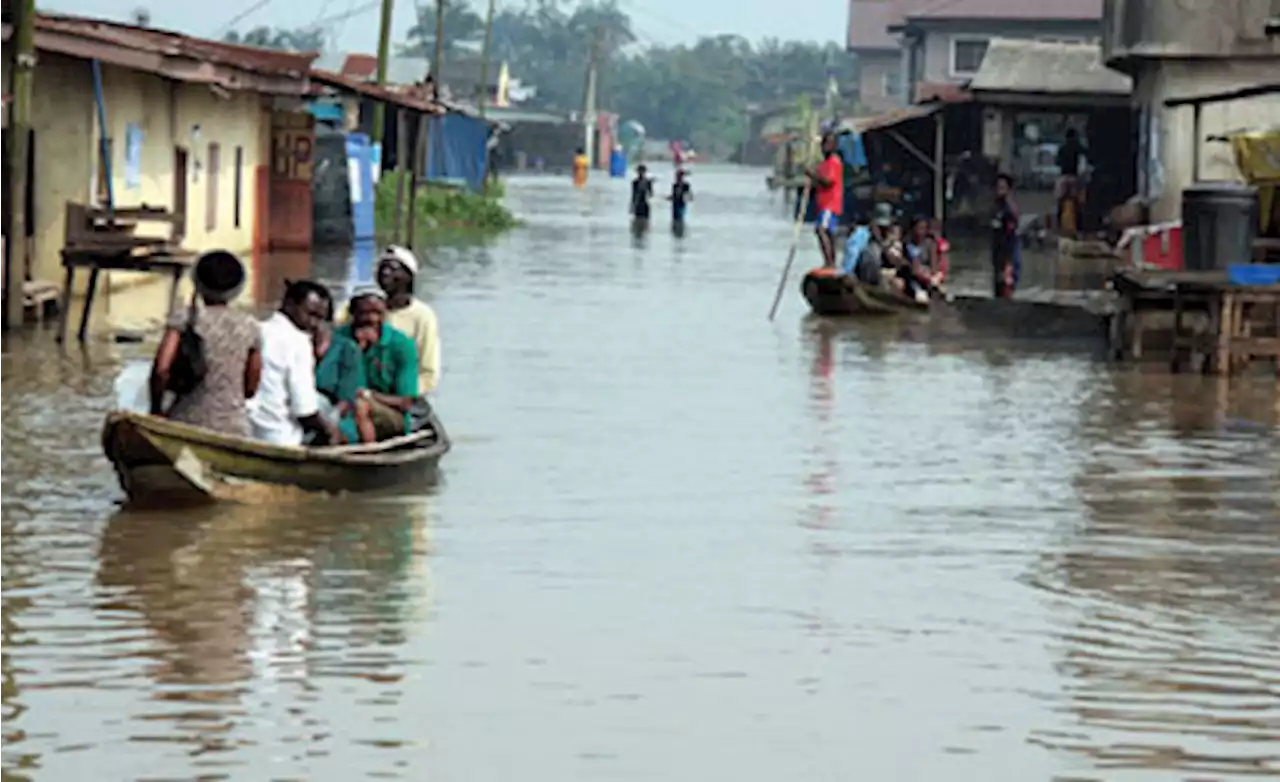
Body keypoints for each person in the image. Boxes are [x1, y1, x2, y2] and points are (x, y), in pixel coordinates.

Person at [149, 250, 261, 436]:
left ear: (197, 283)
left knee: (184, 463)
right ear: (238, 288)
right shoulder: (250, 326)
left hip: (186, 423)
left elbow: (161, 370)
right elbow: (250, 388)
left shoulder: (184, 318)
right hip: (234, 428)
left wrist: (155, 410)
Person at [248, 280, 340, 446]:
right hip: (280, 437)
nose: (314, 324)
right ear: (289, 305)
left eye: (320, 319)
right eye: (310, 314)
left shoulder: (257, 329)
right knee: (329, 412)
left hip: (250, 430)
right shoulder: (298, 343)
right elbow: (305, 411)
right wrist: (331, 432)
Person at [338, 290, 420, 441]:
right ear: (352, 313)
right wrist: (355, 352)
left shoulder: (402, 345)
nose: (371, 319)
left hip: (391, 416)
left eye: (377, 313)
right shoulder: (338, 340)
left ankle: (368, 454)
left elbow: (405, 403)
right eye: (364, 313)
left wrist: (369, 396)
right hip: (343, 411)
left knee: (360, 405)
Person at [371, 246, 441, 395]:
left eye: (393, 269)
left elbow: (429, 373)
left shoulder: (423, 316)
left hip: (406, 395)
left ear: (408, 276)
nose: (385, 272)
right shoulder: (363, 308)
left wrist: (405, 392)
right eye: (382, 268)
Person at [313, 296, 376, 444]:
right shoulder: (294, 344)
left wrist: (326, 421)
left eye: (317, 318)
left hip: (337, 415)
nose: (312, 324)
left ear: (328, 322)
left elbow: (347, 400)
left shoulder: (347, 348)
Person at [807, 132, 844, 268]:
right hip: (822, 204)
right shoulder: (823, 164)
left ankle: (829, 263)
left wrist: (812, 175)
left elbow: (827, 182)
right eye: (824, 143)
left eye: (829, 143)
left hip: (830, 204)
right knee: (827, 231)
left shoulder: (834, 162)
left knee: (822, 230)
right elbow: (818, 183)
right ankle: (830, 262)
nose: (825, 147)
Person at [992, 173, 1022, 298]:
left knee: (1006, 287)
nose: (999, 190)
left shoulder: (1009, 209)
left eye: (1003, 187)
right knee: (998, 287)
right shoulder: (996, 207)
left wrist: (1008, 265)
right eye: (998, 187)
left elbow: (1011, 236)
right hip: (998, 253)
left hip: (1008, 253)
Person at [853, 203, 894, 286]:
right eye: (880, 227)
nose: (884, 231)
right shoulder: (862, 236)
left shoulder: (889, 241)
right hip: (866, 280)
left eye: (885, 228)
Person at [1056, 128, 1087, 235]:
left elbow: (1057, 162)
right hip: (1074, 176)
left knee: (1060, 202)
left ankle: (1059, 224)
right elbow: (1087, 153)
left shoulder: (1063, 148)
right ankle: (1079, 226)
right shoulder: (1077, 146)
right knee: (1078, 203)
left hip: (1063, 176)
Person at [631, 164, 654, 229]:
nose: (641, 173)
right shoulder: (635, 182)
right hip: (637, 205)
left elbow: (651, 194)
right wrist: (632, 205)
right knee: (637, 222)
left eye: (642, 172)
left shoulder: (648, 182)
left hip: (645, 204)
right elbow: (633, 195)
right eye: (639, 172)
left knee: (645, 222)